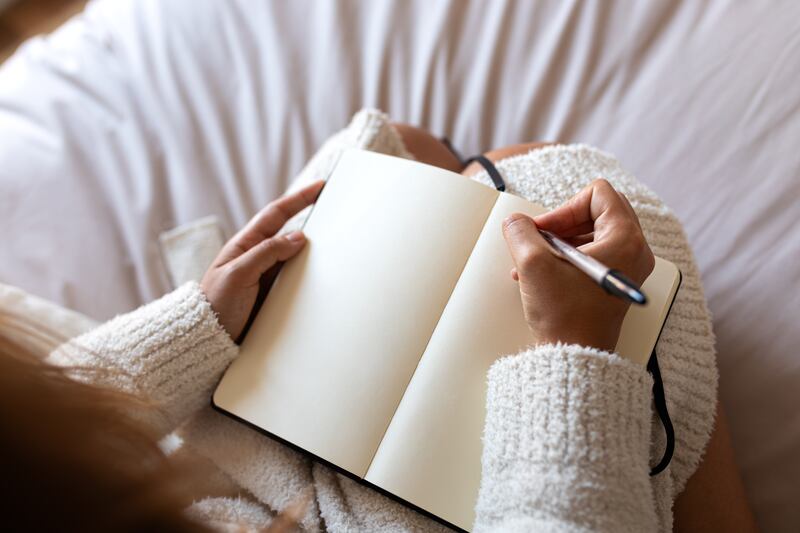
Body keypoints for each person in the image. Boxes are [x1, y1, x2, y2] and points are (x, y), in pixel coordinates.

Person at [0, 110, 755, 532]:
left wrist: (197, 321)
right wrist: (573, 359)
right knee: (562, 194)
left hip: (210, 439)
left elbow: (44, 431)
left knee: (386, 155)